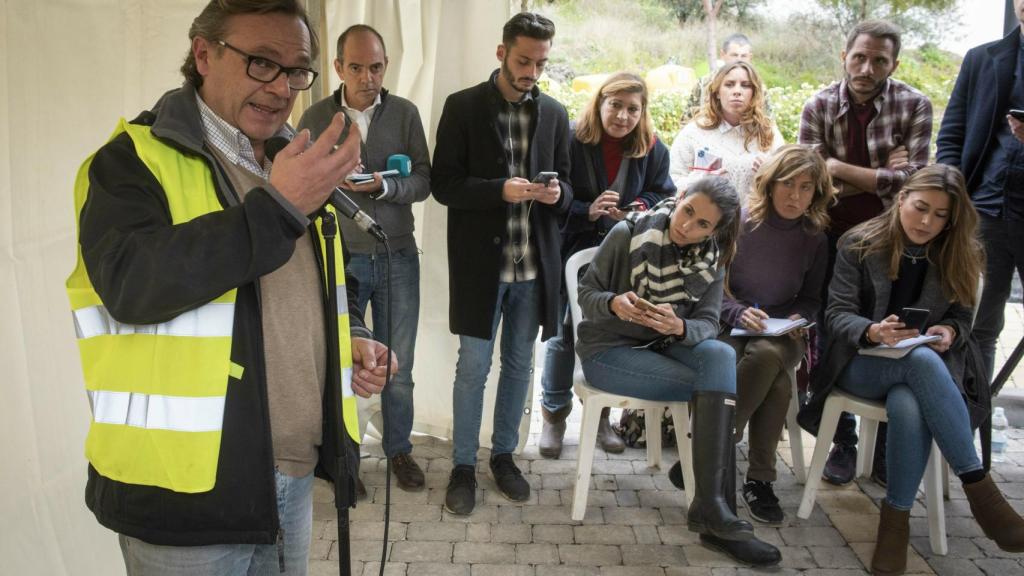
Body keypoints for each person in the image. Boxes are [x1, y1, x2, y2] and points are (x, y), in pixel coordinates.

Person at [65, 1, 393, 574]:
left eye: (296, 70)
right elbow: (133, 284)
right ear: (203, 53)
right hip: (185, 500)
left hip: (289, 474)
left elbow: (303, 291)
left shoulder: (290, 161)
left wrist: (353, 338)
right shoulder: (130, 163)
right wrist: (280, 206)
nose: (282, 87)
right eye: (262, 62)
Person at [799, 165, 1024, 575]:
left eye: (941, 215)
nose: (927, 222)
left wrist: (949, 332)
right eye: (921, 208)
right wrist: (871, 330)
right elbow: (835, 315)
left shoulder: (961, 250)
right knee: (918, 363)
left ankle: (894, 526)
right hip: (860, 363)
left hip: (920, 371)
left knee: (908, 400)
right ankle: (980, 489)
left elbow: (962, 316)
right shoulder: (859, 242)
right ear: (901, 199)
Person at [575, 177, 780, 567]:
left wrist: (680, 328)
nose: (688, 226)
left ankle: (714, 507)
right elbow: (587, 295)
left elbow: (707, 323)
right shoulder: (627, 232)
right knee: (718, 391)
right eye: (688, 211)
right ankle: (717, 516)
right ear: (680, 198)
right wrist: (615, 303)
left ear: (715, 231)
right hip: (608, 351)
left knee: (718, 356)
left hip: (664, 345)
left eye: (703, 224)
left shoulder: (712, 259)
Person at [431, 12, 573, 515]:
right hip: (481, 270)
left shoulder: (555, 113)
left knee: (519, 367)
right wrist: (500, 190)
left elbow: (570, 191)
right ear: (501, 53)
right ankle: (463, 466)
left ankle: (505, 457)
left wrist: (556, 193)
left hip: (534, 271)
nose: (531, 71)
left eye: (540, 63)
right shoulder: (463, 106)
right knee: (472, 368)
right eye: (522, 60)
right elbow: (443, 185)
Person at [799, 19, 933, 487]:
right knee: (836, 333)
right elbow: (810, 176)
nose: (867, 67)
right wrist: (880, 171)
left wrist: (840, 166)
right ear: (844, 56)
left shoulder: (914, 104)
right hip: (831, 236)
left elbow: (916, 181)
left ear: (894, 64)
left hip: (889, 239)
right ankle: (844, 441)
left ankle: (884, 445)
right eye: (860, 56)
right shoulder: (818, 105)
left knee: (890, 329)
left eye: (879, 60)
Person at [298, 24, 431, 493]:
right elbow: (300, 191)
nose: (367, 77)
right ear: (338, 68)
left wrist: (386, 186)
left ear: (385, 67)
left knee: (398, 367)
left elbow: (424, 180)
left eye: (375, 66)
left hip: (398, 256)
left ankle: (399, 451)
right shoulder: (314, 116)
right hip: (339, 260)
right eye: (356, 67)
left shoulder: (406, 114)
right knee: (337, 365)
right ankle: (342, 462)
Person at [539, 71, 675, 459]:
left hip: (623, 258)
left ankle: (599, 417)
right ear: (599, 103)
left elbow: (664, 194)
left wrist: (639, 208)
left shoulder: (652, 148)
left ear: (642, 112)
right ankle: (554, 415)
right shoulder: (572, 138)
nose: (622, 116)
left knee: (606, 333)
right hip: (574, 250)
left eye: (633, 108)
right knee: (565, 332)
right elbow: (554, 194)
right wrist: (587, 209)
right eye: (615, 105)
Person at [718, 144, 834, 524]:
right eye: (787, 184)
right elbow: (712, 284)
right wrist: (737, 311)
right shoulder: (741, 220)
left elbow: (814, 298)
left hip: (784, 333)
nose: (795, 196)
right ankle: (760, 481)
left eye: (806, 188)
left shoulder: (815, 237)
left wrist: (798, 319)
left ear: (816, 193)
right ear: (769, 184)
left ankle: (717, 448)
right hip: (732, 324)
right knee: (778, 384)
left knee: (768, 356)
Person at [936, 0, 1024, 386]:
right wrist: (954, 196)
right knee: (977, 328)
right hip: (984, 213)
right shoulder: (982, 58)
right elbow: (952, 133)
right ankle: (968, 428)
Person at [670, 61, 783, 202]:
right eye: (729, 84)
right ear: (717, 92)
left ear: (754, 93)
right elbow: (671, 184)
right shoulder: (693, 132)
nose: (737, 91)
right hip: (706, 220)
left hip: (755, 221)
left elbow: (788, 186)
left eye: (745, 85)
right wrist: (699, 182)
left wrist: (770, 174)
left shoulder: (769, 132)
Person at [684, 33, 772, 122]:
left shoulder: (758, 87)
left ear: (750, 57)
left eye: (744, 56)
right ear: (723, 55)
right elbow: (687, 120)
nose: (739, 60)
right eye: (734, 55)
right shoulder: (703, 84)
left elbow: (768, 123)